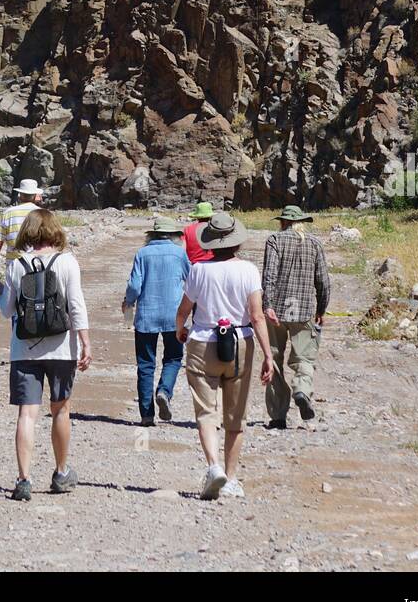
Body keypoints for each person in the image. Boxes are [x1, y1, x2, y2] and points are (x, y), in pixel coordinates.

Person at [175, 212, 274, 501]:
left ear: (210, 244)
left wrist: (180, 330)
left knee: (206, 412)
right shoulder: (248, 271)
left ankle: (213, 467)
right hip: (240, 342)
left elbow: (184, 310)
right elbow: (256, 316)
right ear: (237, 243)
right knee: (236, 415)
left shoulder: (198, 270)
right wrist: (268, 355)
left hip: (203, 342)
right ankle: (231, 479)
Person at [0, 207, 92, 501]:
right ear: (54, 230)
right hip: (62, 348)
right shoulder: (67, 262)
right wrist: (85, 342)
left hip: (23, 349)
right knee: (60, 409)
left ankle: (23, 479)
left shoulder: (16, 265)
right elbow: (76, 305)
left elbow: (5, 311)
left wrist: (2, 288)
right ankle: (61, 472)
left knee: (27, 414)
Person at [261, 204, 330, 427]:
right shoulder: (314, 243)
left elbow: (269, 276)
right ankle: (301, 390)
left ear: (283, 222)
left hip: (277, 312)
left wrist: (267, 304)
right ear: (301, 222)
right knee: (305, 358)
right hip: (305, 310)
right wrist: (321, 309)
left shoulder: (274, 240)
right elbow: (323, 281)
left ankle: (278, 416)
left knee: (274, 358)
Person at [122, 216, 190, 426]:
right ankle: (164, 391)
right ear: (173, 236)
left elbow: (135, 286)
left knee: (145, 365)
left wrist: (128, 302)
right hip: (174, 315)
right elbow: (191, 282)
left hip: (146, 316)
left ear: (151, 234)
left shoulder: (142, 253)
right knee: (173, 358)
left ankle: (146, 415)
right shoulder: (180, 253)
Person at [0, 178, 43, 282]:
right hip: (37, 262)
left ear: (20, 195)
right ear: (35, 195)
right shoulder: (42, 214)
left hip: (14, 264)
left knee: (12, 296)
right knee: (34, 294)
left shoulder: (8, 213)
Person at [183, 199, 214, 264]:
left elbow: (183, 249)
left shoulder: (187, 230)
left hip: (194, 264)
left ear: (197, 216)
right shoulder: (216, 228)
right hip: (213, 263)